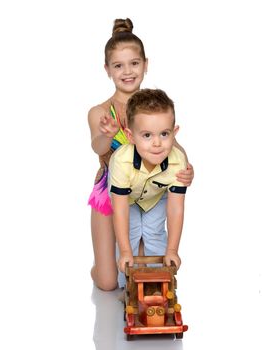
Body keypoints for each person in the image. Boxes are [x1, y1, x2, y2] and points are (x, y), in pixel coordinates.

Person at [87, 18, 194, 291]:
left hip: (148, 192)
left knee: (146, 269)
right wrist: (107, 136)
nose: (127, 71)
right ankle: (99, 267)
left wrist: (186, 166)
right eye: (118, 65)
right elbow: (98, 147)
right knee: (110, 282)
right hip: (114, 191)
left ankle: (138, 248)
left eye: (134, 63)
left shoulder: (153, 105)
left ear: (145, 65)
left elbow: (171, 143)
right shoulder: (100, 112)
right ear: (107, 70)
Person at [109, 88, 186, 277]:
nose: (157, 143)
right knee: (131, 232)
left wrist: (172, 250)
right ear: (130, 136)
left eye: (164, 134)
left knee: (154, 233)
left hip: (156, 197)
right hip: (127, 199)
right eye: (147, 135)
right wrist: (126, 252)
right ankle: (128, 285)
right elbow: (120, 209)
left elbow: (175, 208)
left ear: (174, 132)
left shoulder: (178, 161)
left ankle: (158, 280)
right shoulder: (121, 160)